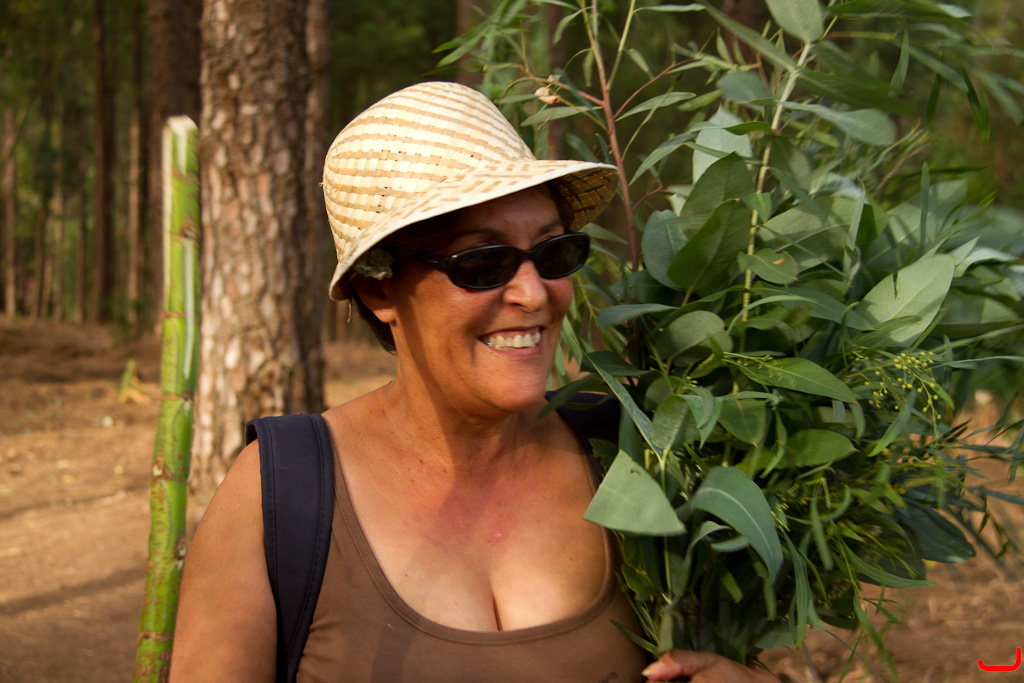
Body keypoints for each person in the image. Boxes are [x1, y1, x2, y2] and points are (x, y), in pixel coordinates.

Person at [170, 81, 776, 683]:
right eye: (482, 262)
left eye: (554, 252)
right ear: (378, 289)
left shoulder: (634, 451)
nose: (533, 293)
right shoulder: (281, 492)